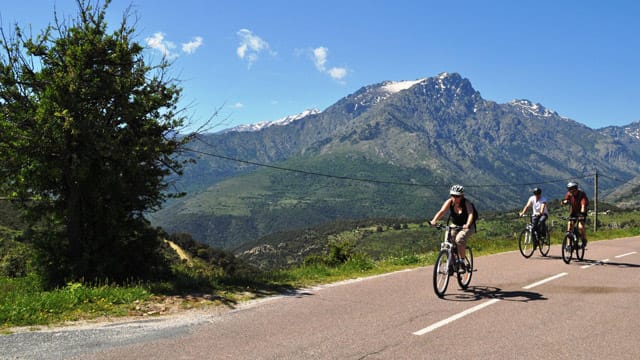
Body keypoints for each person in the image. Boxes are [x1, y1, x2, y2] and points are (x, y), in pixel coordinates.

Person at [430, 184, 476, 271]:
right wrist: (434, 220)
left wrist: (467, 224)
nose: (454, 197)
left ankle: (462, 261)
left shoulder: (467, 203)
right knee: (447, 242)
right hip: (454, 225)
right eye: (452, 195)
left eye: (457, 196)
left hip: (467, 226)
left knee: (459, 240)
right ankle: (451, 263)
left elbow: (471, 214)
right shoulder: (450, 202)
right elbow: (442, 211)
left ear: (462, 196)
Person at [561, 181, 588, 248]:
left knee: (580, 227)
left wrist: (582, 214)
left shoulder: (581, 194)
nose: (569, 191)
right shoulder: (569, 194)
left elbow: (583, 205)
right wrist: (564, 202)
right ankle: (568, 245)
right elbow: (564, 201)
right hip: (573, 212)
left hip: (581, 212)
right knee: (569, 226)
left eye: (571, 189)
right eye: (568, 189)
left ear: (575, 188)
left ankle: (584, 239)